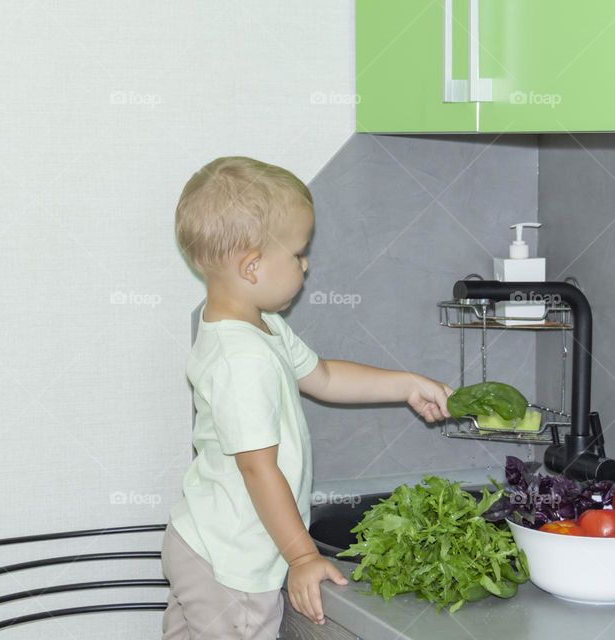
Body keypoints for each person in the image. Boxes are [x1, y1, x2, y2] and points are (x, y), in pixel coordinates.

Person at [162, 156, 455, 639]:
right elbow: (258, 468)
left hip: (207, 543)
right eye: (298, 254)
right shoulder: (241, 359)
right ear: (252, 266)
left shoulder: (262, 329)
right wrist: (302, 556)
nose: (307, 263)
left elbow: (324, 377)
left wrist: (406, 384)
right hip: (231, 565)